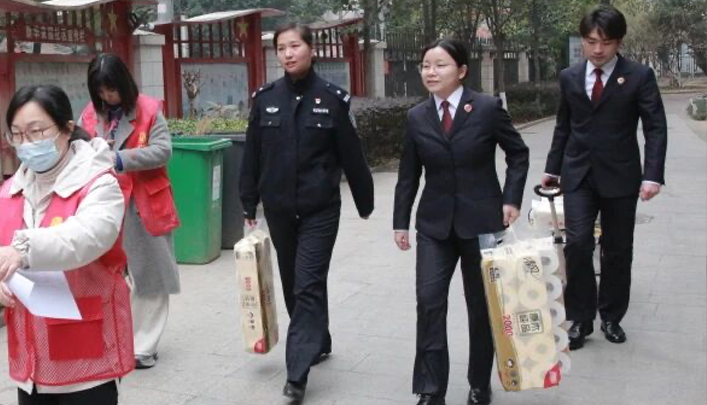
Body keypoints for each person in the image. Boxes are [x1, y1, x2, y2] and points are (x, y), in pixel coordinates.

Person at [240, 23, 374, 403]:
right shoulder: (265, 99)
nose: (288, 53)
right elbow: (252, 155)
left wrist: (365, 203)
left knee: (308, 283)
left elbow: (352, 155)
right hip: (279, 210)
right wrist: (248, 202)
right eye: (281, 47)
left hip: (320, 210)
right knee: (292, 282)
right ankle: (320, 339)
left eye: (295, 45)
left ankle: (297, 372)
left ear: (311, 49)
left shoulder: (332, 99)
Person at [0, 85, 132, 404]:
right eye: (17, 134)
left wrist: (23, 250)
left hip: (86, 357)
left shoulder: (98, 183)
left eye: (37, 131)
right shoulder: (10, 190)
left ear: (67, 129)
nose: (26, 143)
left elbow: (87, 236)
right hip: (31, 361)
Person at [393, 39, 529, 405]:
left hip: (481, 223)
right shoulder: (417, 116)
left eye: (440, 65)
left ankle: (479, 383)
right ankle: (430, 388)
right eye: (426, 65)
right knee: (429, 301)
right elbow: (408, 174)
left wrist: (511, 198)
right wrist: (400, 222)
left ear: (462, 70)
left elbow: (518, 153)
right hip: (434, 226)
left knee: (480, 306)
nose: (431, 72)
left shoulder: (486, 108)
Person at [541, 5, 667, 350]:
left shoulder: (639, 76)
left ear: (619, 42)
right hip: (578, 174)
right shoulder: (569, 76)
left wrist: (652, 175)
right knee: (578, 244)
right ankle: (580, 318)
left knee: (617, 249)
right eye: (592, 42)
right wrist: (552, 168)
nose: (598, 50)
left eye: (606, 43)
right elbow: (563, 125)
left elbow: (655, 127)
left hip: (621, 176)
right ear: (583, 40)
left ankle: (611, 316)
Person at [80, 53, 180, 369]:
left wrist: (121, 159)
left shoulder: (149, 109)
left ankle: (143, 347)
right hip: (104, 203)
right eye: (100, 91)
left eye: (111, 89)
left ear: (124, 83)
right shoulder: (90, 114)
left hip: (143, 203)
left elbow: (163, 151)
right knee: (107, 275)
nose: (107, 96)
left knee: (151, 276)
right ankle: (117, 338)